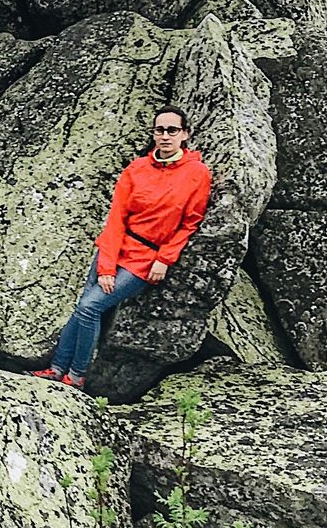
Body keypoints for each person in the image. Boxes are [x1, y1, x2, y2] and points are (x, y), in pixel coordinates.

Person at [35, 109, 211, 387]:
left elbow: (190, 223)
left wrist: (164, 259)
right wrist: (106, 265)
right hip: (115, 247)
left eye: (172, 130)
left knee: (89, 307)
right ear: (153, 134)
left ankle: (77, 376)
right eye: (159, 130)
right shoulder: (136, 169)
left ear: (185, 134)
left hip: (146, 257)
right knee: (83, 308)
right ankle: (57, 369)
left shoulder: (197, 174)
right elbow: (116, 218)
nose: (165, 136)